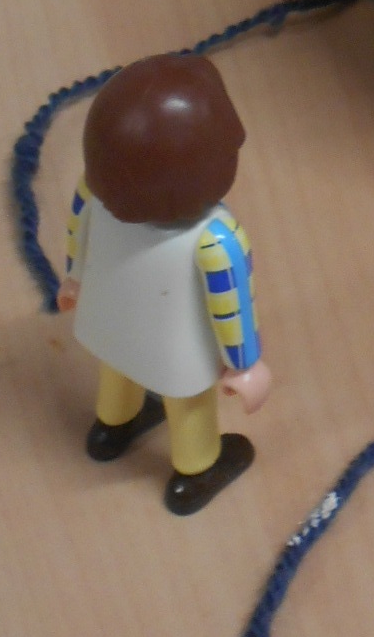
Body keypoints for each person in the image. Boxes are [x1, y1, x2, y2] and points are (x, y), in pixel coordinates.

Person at [58, 52, 270, 515]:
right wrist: (244, 365)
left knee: (117, 367)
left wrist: (73, 278)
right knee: (186, 399)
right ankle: (196, 467)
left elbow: (78, 234)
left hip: (109, 323)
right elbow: (231, 305)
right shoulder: (215, 240)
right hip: (175, 352)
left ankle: (112, 426)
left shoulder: (93, 196)